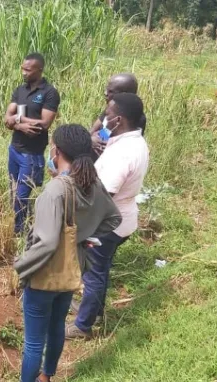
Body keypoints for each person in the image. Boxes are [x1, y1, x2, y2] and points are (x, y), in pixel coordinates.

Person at [0, 125, 120, 382]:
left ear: (57, 151)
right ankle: (45, 379)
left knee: (34, 340)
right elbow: (114, 218)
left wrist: (20, 267)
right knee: (57, 327)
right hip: (72, 269)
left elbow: (47, 241)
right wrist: (84, 238)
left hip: (46, 273)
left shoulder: (55, 190)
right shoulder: (92, 183)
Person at [66, 93, 149, 339]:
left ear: (118, 120)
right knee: (99, 270)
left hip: (107, 225)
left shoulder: (123, 153)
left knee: (93, 274)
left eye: (108, 115)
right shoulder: (132, 141)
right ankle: (95, 312)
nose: (104, 118)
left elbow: (104, 196)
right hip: (122, 219)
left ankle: (83, 326)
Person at [4, 53, 60, 234]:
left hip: (32, 154)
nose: (24, 73)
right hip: (15, 149)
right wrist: (21, 125)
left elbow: (44, 124)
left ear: (39, 70)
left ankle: (20, 233)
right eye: (23, 69)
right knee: (14, 192)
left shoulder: (49, 93)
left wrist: (17, 119)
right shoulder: (20, 90)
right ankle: (22, 227)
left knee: (22, 196)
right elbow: (7, 119)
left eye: (28, 70)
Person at [89, 73, 146, 161]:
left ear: (124, 94)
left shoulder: (135, 119)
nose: (105, 93)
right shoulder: (112, 109)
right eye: (106, 89)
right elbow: (94, 131)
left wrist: (94, 139)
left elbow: (110, 143)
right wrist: (90, 139)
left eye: (110, 91)